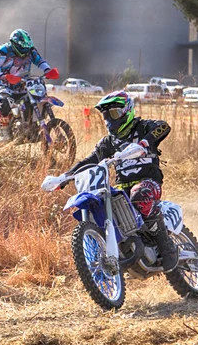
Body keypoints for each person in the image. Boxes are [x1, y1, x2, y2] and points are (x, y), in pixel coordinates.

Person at [62, 91, 178, 272]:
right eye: (106, 115)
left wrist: (144, 143)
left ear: (127, 111)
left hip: (149, 181)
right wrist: (65, 176)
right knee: (104, 205)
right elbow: (90, 160)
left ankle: (167, 247)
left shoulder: (143, 127)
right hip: (123, 187)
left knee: (140, 195)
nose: (109, 119)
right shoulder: (109, 142)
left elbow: (164, 126)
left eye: (114, 113)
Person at [0, 28, 59, 142]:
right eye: (22, 48)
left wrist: (48, 70)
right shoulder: (5, 50)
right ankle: (4, 132)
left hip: (24, 83)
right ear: (14, 44)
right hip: (4, 84)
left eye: (27, 48)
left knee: (39, 99)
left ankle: (32, 127)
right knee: (5, 102)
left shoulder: (30, 50)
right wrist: (2, 76)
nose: (25, 51)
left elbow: (39, 61)